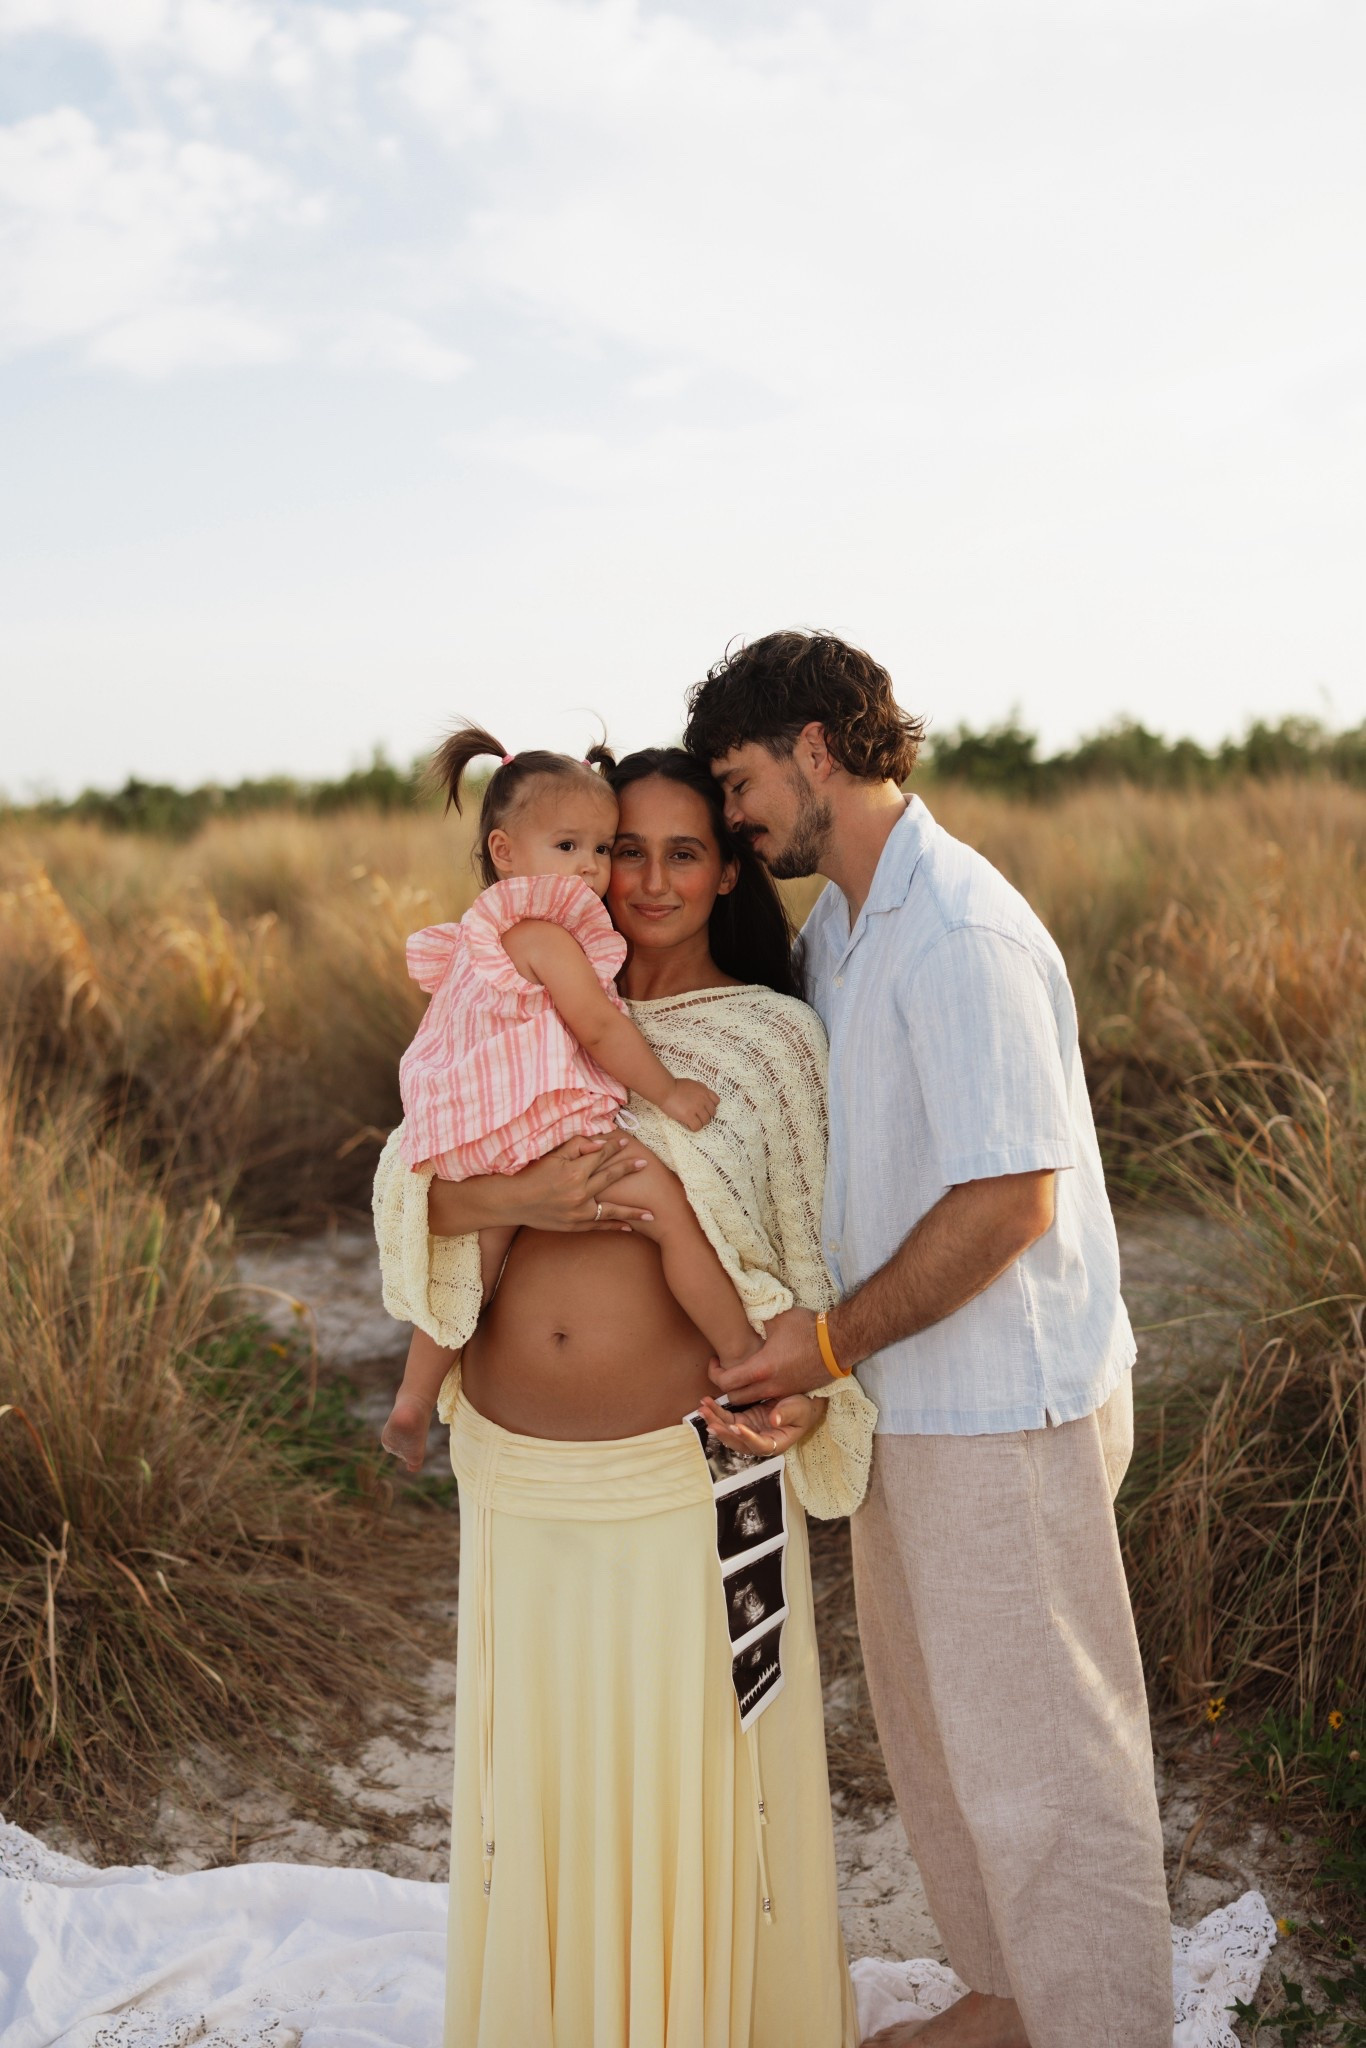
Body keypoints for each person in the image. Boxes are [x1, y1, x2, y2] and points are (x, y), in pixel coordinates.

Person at [684, 632, 1173, 2048]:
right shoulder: (843, 926)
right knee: (942, 1729)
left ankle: (1103, 2029)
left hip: (1002, 1404)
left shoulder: (958, 927)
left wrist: (826, 1342)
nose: (733, 820)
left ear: (815, 751)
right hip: (907, 1396)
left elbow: (1008, 1200)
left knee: (1046, 1756)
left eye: (739, 783)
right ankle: (1015, 1997)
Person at [371, 746, 876, 2048]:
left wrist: (808, 1391)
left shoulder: (768, 1038)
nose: (641, 880)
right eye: (618, 850)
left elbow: (803, 1255)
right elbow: (413, 1184)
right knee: (543, 1784)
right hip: (517, 1475)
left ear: (725, 873)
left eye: (680, 852)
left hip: (675, 1477)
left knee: (672, 1783)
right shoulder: (513, 1001)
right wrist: (522, 1200)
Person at [380, 726, 760, 1470]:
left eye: (597, 848)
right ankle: (743, 1354)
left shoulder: (478, 943)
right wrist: (666, 1092)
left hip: (664, 1456)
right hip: (549, 1137)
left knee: (472, 1270)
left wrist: (500, 1199)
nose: (594, 871)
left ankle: (411, 1398)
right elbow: (596, 1028)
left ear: (727, 871)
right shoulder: (549, 941)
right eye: (599, 852)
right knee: (669, 1217)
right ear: (505, 852)